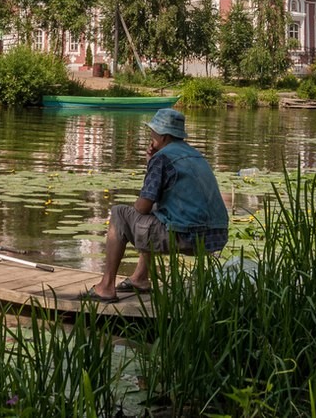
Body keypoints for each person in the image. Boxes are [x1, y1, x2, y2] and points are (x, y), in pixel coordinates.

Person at [80, 108, 228, 302]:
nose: (150, 135)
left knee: (119, 214)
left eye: (153, 132)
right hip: (214, 237)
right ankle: (140, 278)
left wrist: (151, 163)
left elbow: (142, 207)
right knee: (158, 213)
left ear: (163, 136)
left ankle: (106, 286)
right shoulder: (196, 155)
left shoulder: (162, 158)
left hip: (186, 236)